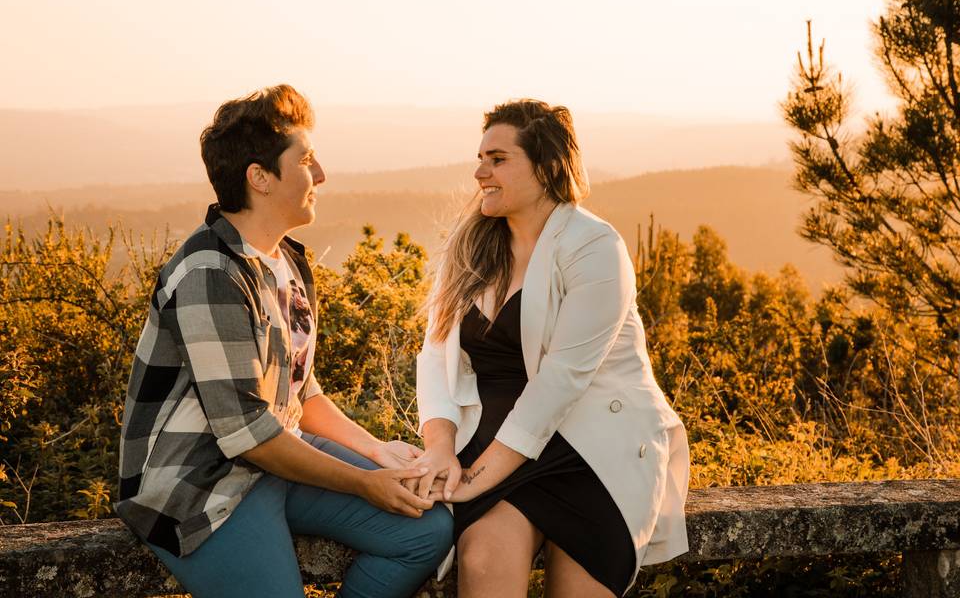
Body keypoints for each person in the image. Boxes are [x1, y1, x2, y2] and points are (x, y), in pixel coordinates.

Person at [116, 85, 453, 598]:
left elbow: (302, 391)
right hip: (201, 480)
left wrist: (377, 451)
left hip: (278, 455)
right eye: (307, 161)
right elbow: (248, 435)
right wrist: (362, 482)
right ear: (260, 178)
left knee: (425, 531)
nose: (321, 175)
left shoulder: (286, 262)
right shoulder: (209, 274)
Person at [412, 99, 689, 597]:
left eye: (497, 159)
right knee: (484, 560)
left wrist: (475, 479)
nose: (479, 172)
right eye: (480, 158)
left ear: (545, 166)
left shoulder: (594, 246)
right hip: (496, 444)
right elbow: (435, 355)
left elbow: (561, 379)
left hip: (589, 454)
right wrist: (440, 449)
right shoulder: (472, 244)